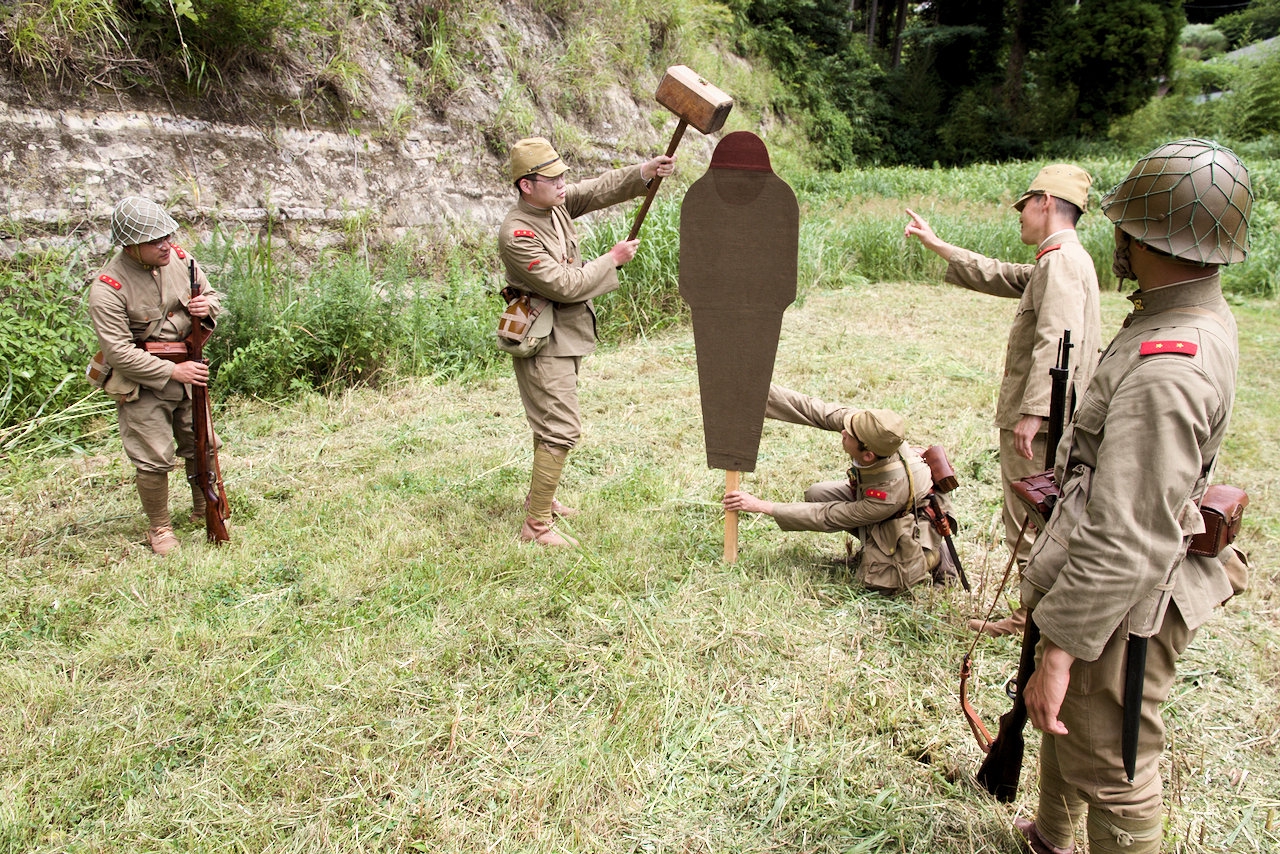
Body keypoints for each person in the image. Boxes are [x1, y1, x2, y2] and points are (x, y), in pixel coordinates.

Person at [1015, 139, 1250, 854]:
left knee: (1113, 765)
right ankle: (1053, 838)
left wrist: (1062, 645)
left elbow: (1126, 535)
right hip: (1098, 584)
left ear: (1142, 235)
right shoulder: (1178, 318)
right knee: (1069, 723)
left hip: (1115, 602)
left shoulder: (1167, 368)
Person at [903, 164, 1101, 637]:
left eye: (1025, 205)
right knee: (1043, 515)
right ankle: (1036, 616)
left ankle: (1032, 622)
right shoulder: (1061, 259)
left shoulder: (1060, 262)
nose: (1020, 216)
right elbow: (1004, 275)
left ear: (1046, 202)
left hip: (1044, 418)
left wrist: (1032, 412)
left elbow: (1056, 339)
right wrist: (939, 245)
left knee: (1029, 517)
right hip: (1056, 413)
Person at [498, 137, 675, 546]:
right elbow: (564, 284)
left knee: (549, 426)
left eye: (563, 177)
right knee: (560, 429)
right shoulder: (518, 233)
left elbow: (595, 189)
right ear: (527, 185)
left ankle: (541, 499)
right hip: (542, 339)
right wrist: (611, 259)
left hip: (565, 334)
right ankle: (536, 526)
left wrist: (644, 173)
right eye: (553, 179)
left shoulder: (554, 204)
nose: (563, 185)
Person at [722, 384, 954, 593]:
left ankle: (933, 555)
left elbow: (829, 516)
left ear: (868, 454)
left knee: (882, 582)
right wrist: (756, 391)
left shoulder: (889, 492)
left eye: (849, 435)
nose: (843, 431)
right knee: (817, 494)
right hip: (884, 503)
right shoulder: (869, 428)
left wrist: (763, 506)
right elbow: (815, 410)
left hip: (909, 515)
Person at [87, 196, 222, 556]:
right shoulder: (107, 288)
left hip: (189, 369)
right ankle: (160, 527)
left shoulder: (180, 261)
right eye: (155, 240)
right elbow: (119, 353)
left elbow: (212, 296)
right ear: (131, 246)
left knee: (202, 444)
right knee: (153, 456)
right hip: (143, 382)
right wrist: (172, 371)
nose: (166, 244)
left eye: (167, 235)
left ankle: (202, 508)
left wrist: (206, 306)